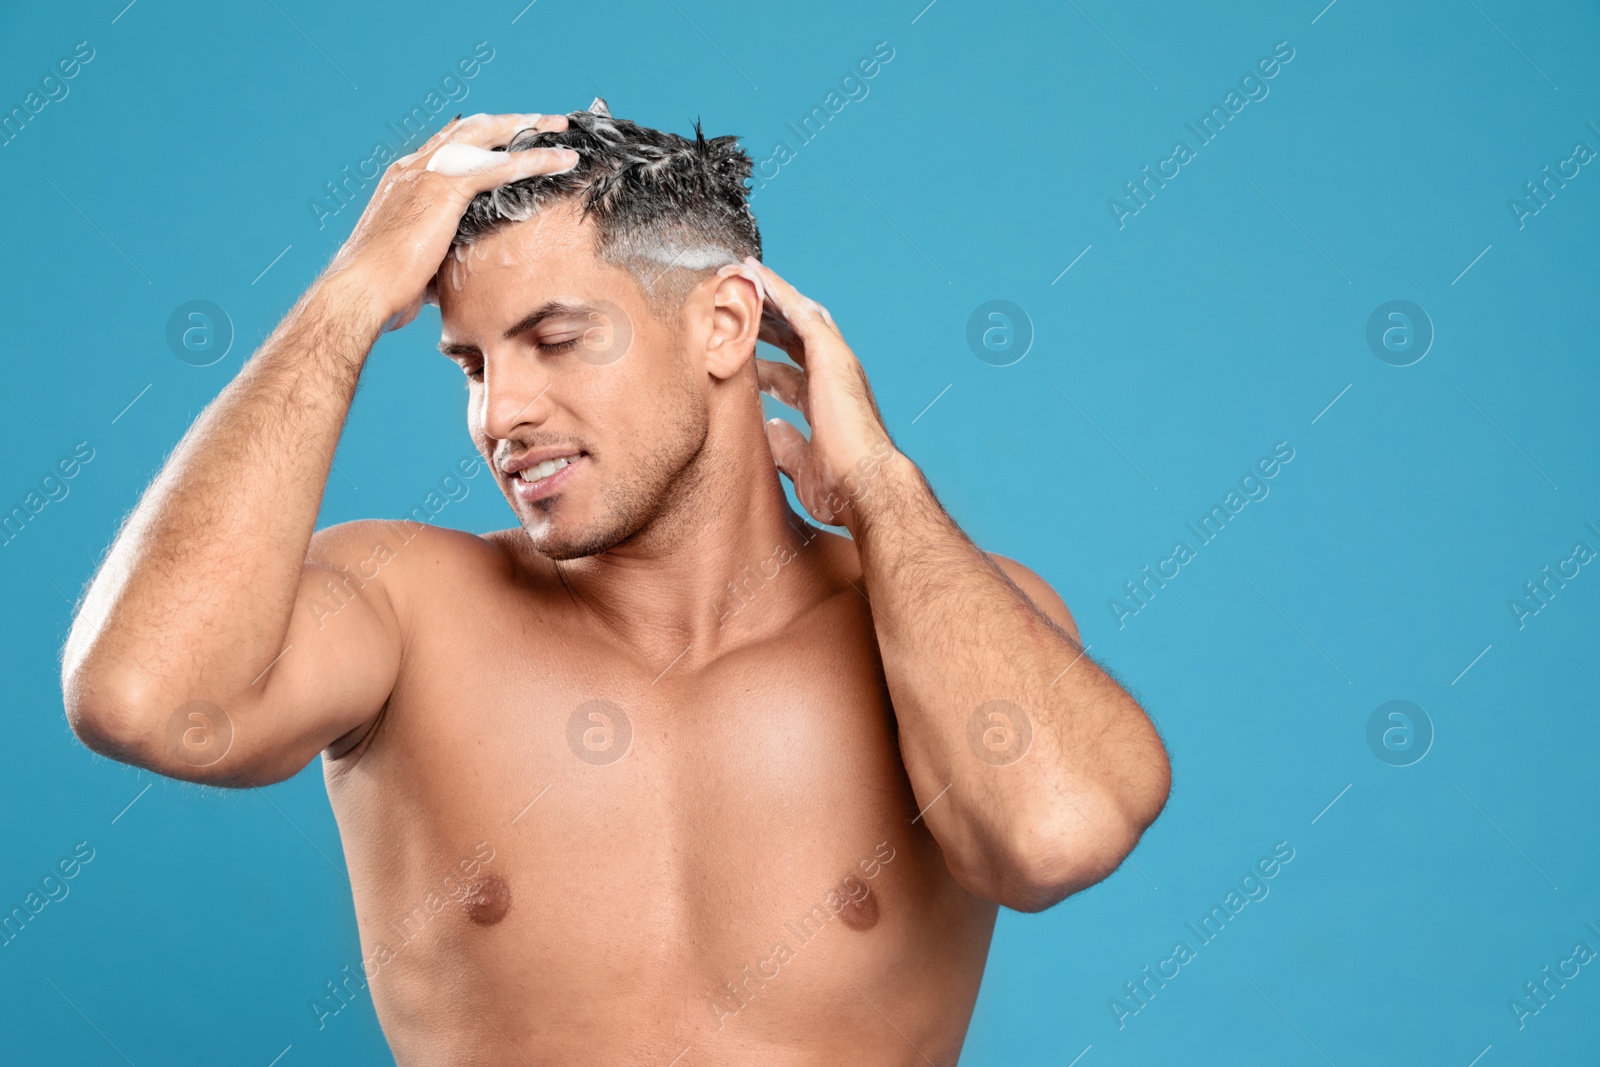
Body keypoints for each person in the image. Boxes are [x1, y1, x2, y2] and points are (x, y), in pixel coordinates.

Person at [61, 100, 1171, 1065]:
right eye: (472, 363)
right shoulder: (404, 604)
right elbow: (144, 696)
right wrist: (348, 299)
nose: (501, 415)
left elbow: (1055, 834)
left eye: (555, 338)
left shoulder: (935, 623)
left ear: (724, 325)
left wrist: (882, 486)